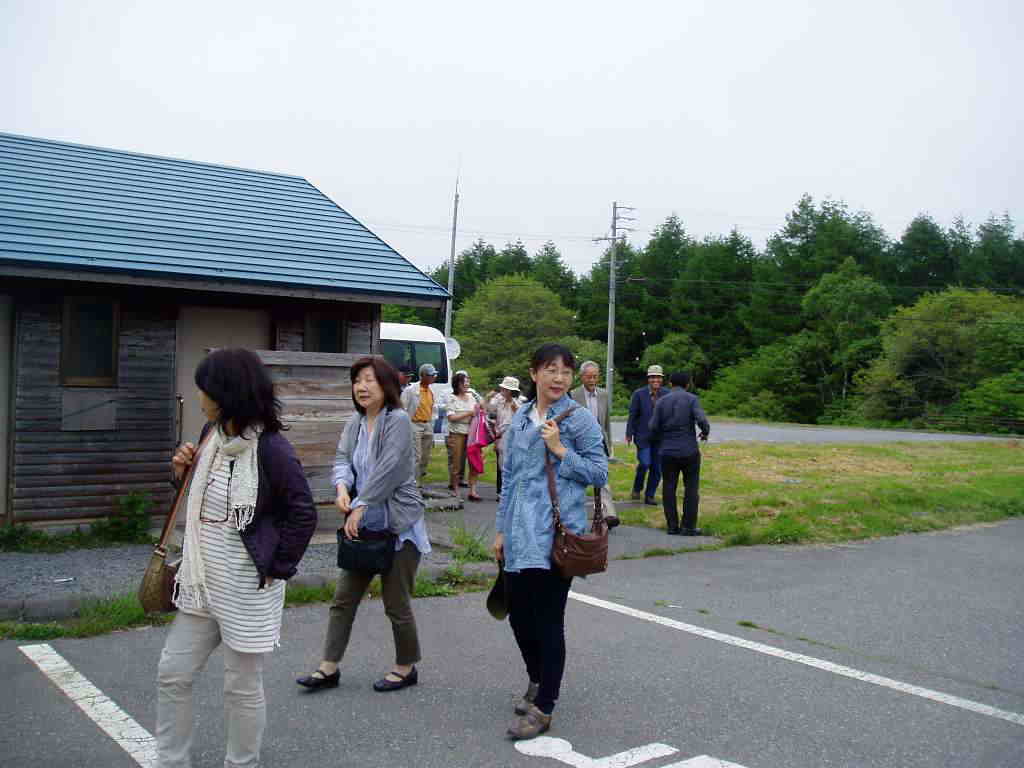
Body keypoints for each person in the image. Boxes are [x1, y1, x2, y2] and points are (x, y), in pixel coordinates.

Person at [159, 348, 317, 768]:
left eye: (204, 389)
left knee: (241, 687)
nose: (199, 396)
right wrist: (181, 473)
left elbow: (303, 513)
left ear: (227, 393)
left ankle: (241, 764)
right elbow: (200, 499)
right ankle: (171, 761)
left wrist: (276, 568)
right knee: (173, 673)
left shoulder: (272, 449)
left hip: (246, 588)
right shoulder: (211, 436)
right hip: (200, 582)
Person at [492, 344, 608, 740]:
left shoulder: (579, 420)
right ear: (534, 373)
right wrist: (501, 530)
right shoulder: (522, 418)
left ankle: (545, 706)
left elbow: (599, 472)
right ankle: (537, 678)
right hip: (519, 533)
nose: (559, 378)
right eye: (551, 369)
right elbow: (509, 478)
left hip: (557, 537)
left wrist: (560, 450)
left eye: (565, 371)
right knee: (518, 616)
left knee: (548, 621)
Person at [297, 356, 430, 693]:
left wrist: (360, 504)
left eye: (370, 379)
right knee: (343, 599)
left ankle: (406, 666)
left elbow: (390, 468)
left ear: (386, 385)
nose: (362, 386)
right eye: (357, 380)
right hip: (364, 527)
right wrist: (342, 488)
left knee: (396, 603)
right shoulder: (355, 422)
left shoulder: (398, 420)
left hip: (399, 526)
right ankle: (328, 667)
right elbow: (343, 459)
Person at [649, 371, 710, 536]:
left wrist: (661, 438)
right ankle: (688, 526)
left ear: (670, 384)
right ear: (687, 384)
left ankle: (672, 526)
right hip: (689, 450)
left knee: (669, 487)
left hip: (667, 451)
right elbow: (701, 420)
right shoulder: (692, 399)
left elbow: (653, 426)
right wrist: (705, 432)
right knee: (691, 488)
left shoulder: (661, 401)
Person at [570, 361, 619, 528]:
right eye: (589, 377)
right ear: (581, 377)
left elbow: (606, 422)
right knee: (578, 480)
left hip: (599, 443)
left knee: (603, 479)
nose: (592, 380)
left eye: (595, 376)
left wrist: (609, 446)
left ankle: (609, 514)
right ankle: (575, 517)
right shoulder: (573, 395)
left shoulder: (603, 395)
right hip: (579, 444)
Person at [625, 364, 666, 505]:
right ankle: (637, 488)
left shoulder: (667, 394)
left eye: (658, 377)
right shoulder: (639, 394)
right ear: (648, 379)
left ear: (662, 379)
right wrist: (629, 433)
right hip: (643, 437)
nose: (655, 380)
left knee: (657, 468)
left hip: (660, 438)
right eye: (652, 377)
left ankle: (650, 495)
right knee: (644, 463)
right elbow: (632, 415)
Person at [445, 371, 482, 501]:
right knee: (457, 463)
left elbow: (480, 410)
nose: (467, 384)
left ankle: (472, 491)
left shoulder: (472, 397)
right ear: (457, 384)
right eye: (464, 382)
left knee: (473, 462)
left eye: (468, 381)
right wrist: (469, 413)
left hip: (472, 434)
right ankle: (455, 489)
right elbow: (451, 417)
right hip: (457, 434)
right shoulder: (451, 398)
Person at [401, 362, 438, 485]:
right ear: (423, 376)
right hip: (414, 424)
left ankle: (419, 479)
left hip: (427, 424)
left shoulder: (431, 391)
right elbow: (403, 408)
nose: (433, 377)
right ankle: (413, 483)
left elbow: (433, 409)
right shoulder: (411, 390)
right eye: (431, 375)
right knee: (417, 456)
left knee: (425, 456)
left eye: (434, 375)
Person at [486, 376, 522, 497]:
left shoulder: (518, 403)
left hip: (512, 437)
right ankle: (501, 491)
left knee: (511, 464)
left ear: (511, 391)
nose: (502, 390)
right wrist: (489, 398)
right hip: (500, 436)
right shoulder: (499, 401)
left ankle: (510, 491)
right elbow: (490, 411)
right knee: (501, 464)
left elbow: (520, 421)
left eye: (505, 389)